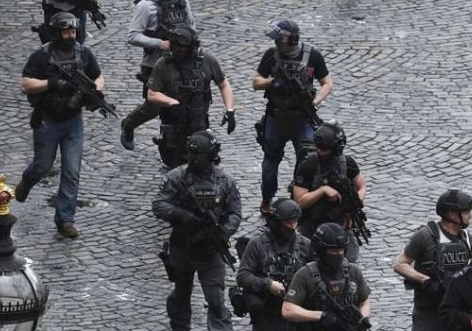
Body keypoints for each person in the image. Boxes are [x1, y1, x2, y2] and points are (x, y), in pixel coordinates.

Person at [14, 12, 105, 239]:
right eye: (66, 31)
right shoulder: (42, 55)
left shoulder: (83, 53)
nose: (70, 35)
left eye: (73, 31)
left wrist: (95, 91)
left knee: (72, 171)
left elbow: (98, 76)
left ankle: (65, 219)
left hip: (73, 121)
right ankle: (27, 181)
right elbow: (26, 84)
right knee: (42, 167)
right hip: (48, 120)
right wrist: (52, 84)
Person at [152, 130, 242, 331]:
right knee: (181, 295)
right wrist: (183, 215)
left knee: (216, 301)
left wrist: (223, 233)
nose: (195, 159)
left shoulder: (225, 181)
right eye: (192, 154)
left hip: (211, 251)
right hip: (182, 246)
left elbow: (235, 213)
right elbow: (159, 205)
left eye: (200, 155)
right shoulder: (177, 177)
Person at [253, 19, 333, 214]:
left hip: (302, 120)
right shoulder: (271, 56)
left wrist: (316, 101)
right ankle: (267, 199)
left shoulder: (312, 55)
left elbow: (327, 83)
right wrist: (271, 83)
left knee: (305, 162)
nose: (277, 43)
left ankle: (297, 200)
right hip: (275, 118)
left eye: (281, 39)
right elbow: (256, 82)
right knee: (269, 166)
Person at [121, 0, 196, 150]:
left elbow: (192, 27)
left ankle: (175, 141)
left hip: (182, 61)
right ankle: (128, 124)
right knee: (153, 106)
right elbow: (133, 36)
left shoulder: (182, 2)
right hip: (155, 64)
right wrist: (159, 43)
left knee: (185, 101)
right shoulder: (146, 6)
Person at [144, 26, 236, 168]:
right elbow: (151, 94)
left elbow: (223, 84)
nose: (179, 51)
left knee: (204, 163)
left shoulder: (207, 61)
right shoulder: (164, 64)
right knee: (174, 165)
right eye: (176, 47)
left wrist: (230, 110)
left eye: (183, 47)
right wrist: (172, 102)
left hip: (199, 122)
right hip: (173, 124)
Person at [394, 190, 472, 331]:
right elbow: (400, 264)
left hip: (458, 311)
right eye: (466, 212)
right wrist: (425, 280)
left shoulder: (467, 239)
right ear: (452, 214)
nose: (470, 216)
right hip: (430, 311)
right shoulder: (425, 236)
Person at [291, 122, 367, 263]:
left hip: (341, 225)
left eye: (324, 149)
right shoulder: (308, 165)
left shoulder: (347, 163)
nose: (320, 151)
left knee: (349, 262)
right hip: (313, 225)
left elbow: (362, 186)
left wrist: (355, 203)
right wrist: (322, 191)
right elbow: (299, 201)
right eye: (318, 147)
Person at [236, 198, 313, 330]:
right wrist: (268, 284)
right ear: (276, 223)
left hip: (296, 308)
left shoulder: (305, 244)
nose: (293, 226)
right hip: (268, 309)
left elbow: (316, 274)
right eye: (288, 222)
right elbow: (243, 275)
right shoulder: (257, 244)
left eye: (295, 222)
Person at [281, 222, 372, 329]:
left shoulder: (353, 271)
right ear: (321, 251)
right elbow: (287, 310)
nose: (338, 254)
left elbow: (364, 301)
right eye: (333, 250)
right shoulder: (305, 275)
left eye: (341, 249)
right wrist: (321, 316)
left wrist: (363, 317)